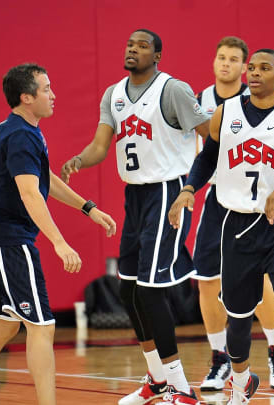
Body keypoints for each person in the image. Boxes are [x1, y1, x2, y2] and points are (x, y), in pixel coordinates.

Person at [167, 49, 274, 405]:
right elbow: (208, 157)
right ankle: (241, 383)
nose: (255, 73)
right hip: (237, 225)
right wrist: (188, 189)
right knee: (239, 319)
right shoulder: (226, 112)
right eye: (253, 68)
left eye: (266, 68)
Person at [0, 63, 117, 405]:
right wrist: (59, 242)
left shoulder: (24, 130)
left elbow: (44, 180)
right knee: (41, 326)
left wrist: (88, 208)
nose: (54, 95)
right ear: (26, 97)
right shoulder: (20, 135)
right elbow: (30, 193)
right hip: (8, 240)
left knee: (3, 327)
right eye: (46, 88)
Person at [60, 29, 209, 405]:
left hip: (166, 191)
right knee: (127, 289)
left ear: (157, 54)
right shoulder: (113, 94)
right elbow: (100, 146)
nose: (133, 50)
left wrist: (191, 187)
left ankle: (182, 388)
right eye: (129, 44)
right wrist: (78, 160)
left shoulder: (173, 90)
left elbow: (211, 135)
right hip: (136, 195)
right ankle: (158, 381)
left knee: (149, 289)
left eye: (142, 46)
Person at [192, 36, 274, 392]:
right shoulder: (199, 101)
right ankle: (220, 361)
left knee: (257, 281)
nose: (226, 64)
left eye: (233, 59)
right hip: (217, 197)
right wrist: (187, 188)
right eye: (220, 57)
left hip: (253, 201)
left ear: (245, 68)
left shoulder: (258, 102)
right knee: (207, 281)